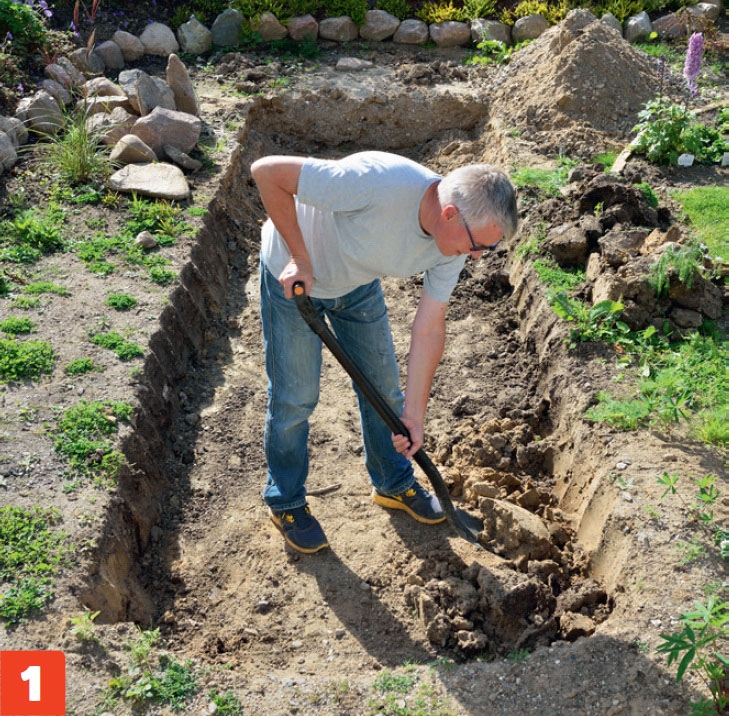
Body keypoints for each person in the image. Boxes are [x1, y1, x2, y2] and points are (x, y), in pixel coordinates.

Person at [251, 150, 518, 554]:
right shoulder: (374, 181)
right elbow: (267, 172)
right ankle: (286, 500)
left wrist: (414, 416)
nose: (479, 256)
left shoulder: (454, 245)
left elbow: (430, 327)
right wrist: (299, 257)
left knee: (383, 389)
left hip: (357, 285)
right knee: (295, 398)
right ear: (449, 215)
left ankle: (392, 483)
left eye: (488, 247)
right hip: (294, 283)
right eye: (479, 244)